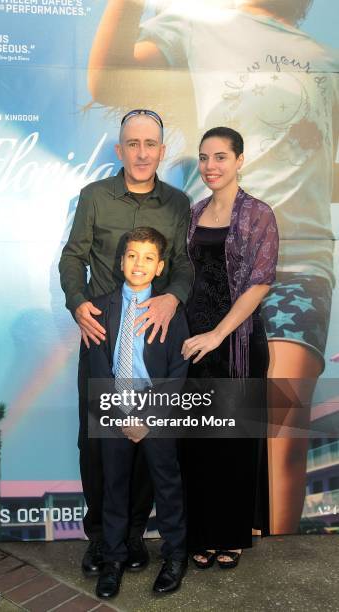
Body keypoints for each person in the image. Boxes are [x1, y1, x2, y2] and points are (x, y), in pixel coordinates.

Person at [88, 0, 339, 535]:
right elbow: (107, 84)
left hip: (301, 260)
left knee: (281, 415)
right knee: (219, 414)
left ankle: (278, 554)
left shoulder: (325, 58)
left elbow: (327, 165)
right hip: (214, 262)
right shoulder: (196, 24)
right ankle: (220, 529)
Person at [59, 109, 193, 575]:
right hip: (102, 337)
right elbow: (73, 257)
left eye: (150, 144)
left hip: (153, 336)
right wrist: (78, 304)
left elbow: (183, 266)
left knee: (150, 438)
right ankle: (100, 539)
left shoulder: (178, 202)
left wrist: (173, 298)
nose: (141, 152)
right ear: (120, 150)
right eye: (132, 144)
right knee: (98, 444)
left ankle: (133, 536)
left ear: (161, 150)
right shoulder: (94, 196)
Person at [181, 126, 278, 568]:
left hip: (235, 343)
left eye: (220, 157)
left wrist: (218, 334)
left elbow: (260, 284)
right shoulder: (195, 212)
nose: (210, 166)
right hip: (194, 345)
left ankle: (232, 534)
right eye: (204, 158)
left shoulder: (258, 214)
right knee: (199, 442)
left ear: (240, 160)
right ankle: (201, 533)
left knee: (234, 443)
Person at [88, 227, 189, 597]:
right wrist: (120, 415)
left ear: (160, 267)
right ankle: (113, 560)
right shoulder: (101, 308)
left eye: (148, 257)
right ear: (120, 261)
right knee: (113, 487)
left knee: (167, 484)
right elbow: (98, 367)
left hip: (155, 410)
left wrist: (147, 418)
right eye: (132, 255)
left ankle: (175, 555)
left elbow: (178, 369)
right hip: (115, 407)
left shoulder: (169, 310)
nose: (138, 263)